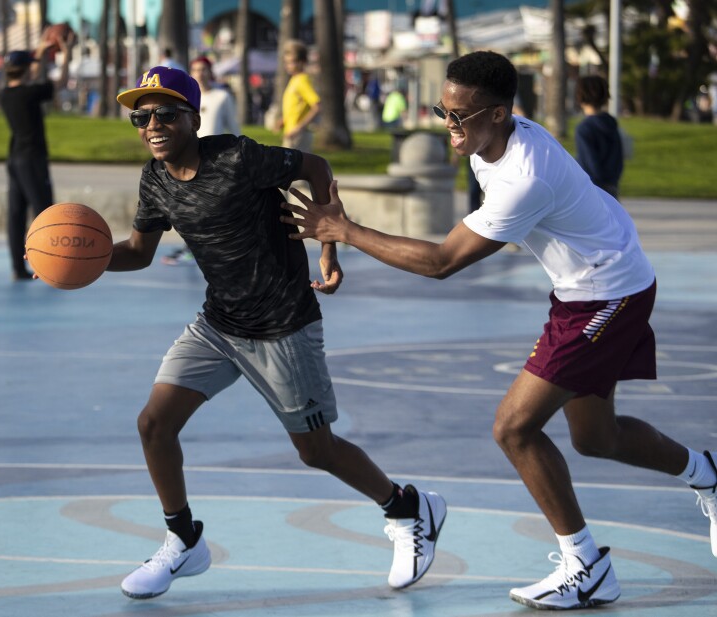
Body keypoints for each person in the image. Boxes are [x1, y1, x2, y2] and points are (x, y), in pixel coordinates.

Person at [281, 50, 717, 611]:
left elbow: (443, 261)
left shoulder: (523, 176)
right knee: (595, 438)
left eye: (460, 116)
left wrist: (345, 229)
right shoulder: (487, 142)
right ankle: (706, 474)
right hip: (586, 286)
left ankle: (586, 565)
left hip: (608, 294)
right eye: (444, 110)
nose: (448, 125)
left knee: (514, 428)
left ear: (500, 113)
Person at [109, 66, 447, 600]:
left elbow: (315, 164)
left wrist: (329, 243)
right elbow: (138, 252)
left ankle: (408, 508)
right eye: (141, 115)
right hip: (219, 325)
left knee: (317, 451)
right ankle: (184, 539)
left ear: (194, 119)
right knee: (154, 423)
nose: (152, 124)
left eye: (165, 113)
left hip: (283, 325)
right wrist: (77, 262)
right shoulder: (155, 180)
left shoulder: (239, 158)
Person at [0, 30, 73, 280]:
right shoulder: (30, 93)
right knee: (44, 213)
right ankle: (51, 266)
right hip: (32, 159)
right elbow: (61, 82)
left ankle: (18, 269)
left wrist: (39, 52)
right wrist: (67, 54)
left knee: (16, 215)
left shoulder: (6, 94)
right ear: (24, 69)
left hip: (14, 160)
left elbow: (25, 75)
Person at [161, 56, 242, 267]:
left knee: (213, 208)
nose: (200, 73)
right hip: (188, 159)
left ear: (210, 72)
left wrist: (237, 155)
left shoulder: (222, 97)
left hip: (215, 161)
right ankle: (192, 248)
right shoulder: (186, 100)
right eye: (196, 70)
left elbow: (234, 128)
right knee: (188, 207)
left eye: (204, 69)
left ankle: (210, 249)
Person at [575, 75, 624, 198]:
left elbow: (589, 163)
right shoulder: (611, 124)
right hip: (612, 186)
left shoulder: (584, 128)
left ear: (580, 97)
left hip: (592, 190)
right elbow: (618, 158)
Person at [279, 40, 321, 152]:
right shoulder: (295, 80)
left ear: (302, 62)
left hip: (298, 136)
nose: (287, 66)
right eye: (286, 62)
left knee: (292, 168)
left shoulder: (303, 80)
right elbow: (297, 106)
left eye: (291, 62)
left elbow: (317, 106)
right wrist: (283, 121)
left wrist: (298, 128)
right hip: (291, 133)